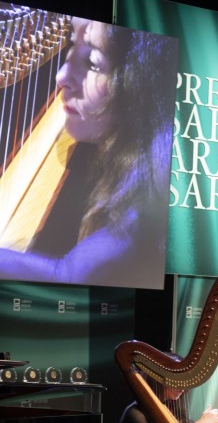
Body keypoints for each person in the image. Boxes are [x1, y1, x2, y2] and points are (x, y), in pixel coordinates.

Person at [0, 16, 177, 289]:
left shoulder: (149, 196)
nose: (61, 77)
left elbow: (70, 276)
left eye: (93, 63)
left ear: (138, 84)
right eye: (72, 46)